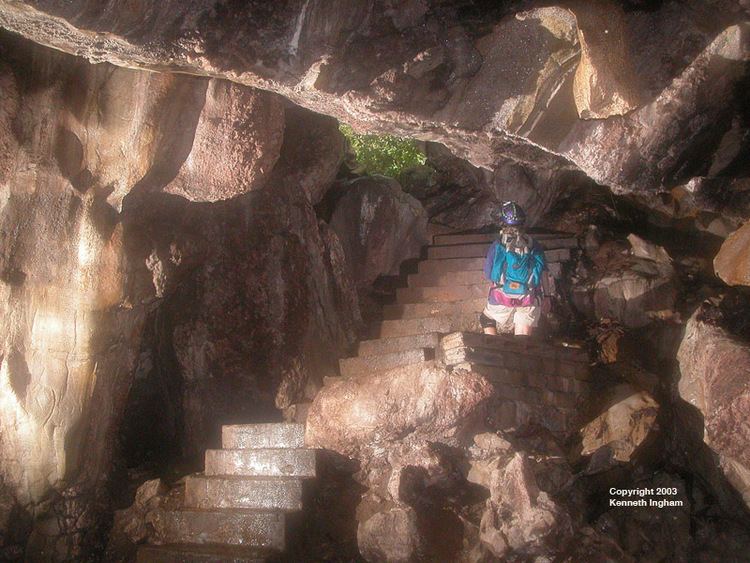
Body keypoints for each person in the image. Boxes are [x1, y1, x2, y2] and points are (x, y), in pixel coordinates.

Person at [480, 201, 546, 336]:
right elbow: (543, 272)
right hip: (528, 295)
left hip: (502, 294)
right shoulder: (534, 245)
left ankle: (493, 349)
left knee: (486, 319)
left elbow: (488, 274)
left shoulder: (498, 245)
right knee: (523, 335)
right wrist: (548, 297)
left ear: (503, 223)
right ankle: (520, 354)